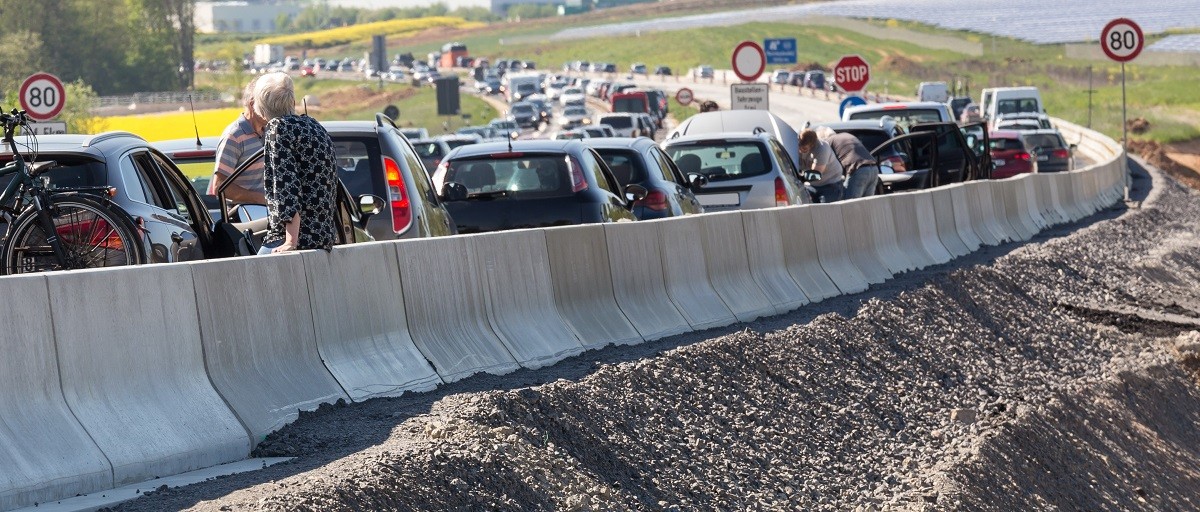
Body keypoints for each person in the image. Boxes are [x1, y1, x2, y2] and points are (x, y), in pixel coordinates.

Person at [253, 72, 339, 254]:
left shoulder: (278, 128)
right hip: (322, 236)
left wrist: (290, 241)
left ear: (260, 105)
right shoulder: (313, 125)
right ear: (291, 101)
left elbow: (287, 188)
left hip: (292, 237)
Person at [208, 77, 267, 205]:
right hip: (243, 219)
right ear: (252, 104)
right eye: (267, 104)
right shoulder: (234, 136)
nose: (272, 109)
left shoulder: (270, 131)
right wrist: (260, 199)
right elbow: (219, 186)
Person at [824, 130, 881, 200]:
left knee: (850, 204)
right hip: (873, 168)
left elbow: (827, 164)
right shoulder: (846, 135)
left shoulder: (828, 142)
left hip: (858, 170)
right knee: (867, 205)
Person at [798, 128, 845, 203]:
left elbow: (815, 174)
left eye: (804, 148)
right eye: (799, 146)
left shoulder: (822, 148)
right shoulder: (797, 143)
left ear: (812, 145)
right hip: (812, 185)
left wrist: (799, 177)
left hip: (830, 184)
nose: (800, 150)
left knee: (824, 211)